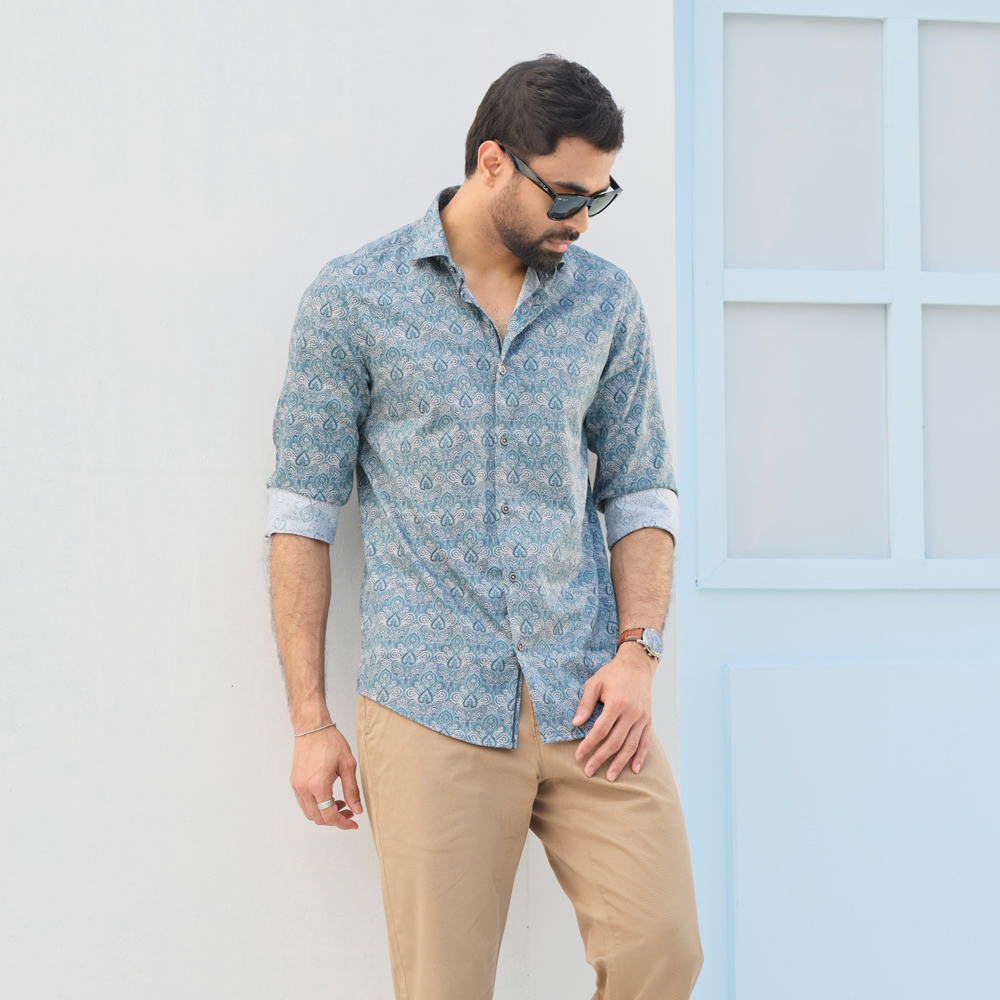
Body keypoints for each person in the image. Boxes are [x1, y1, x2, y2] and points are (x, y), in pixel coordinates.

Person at [266, 54, 704, 1000]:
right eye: (566, 196)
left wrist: (639, 652)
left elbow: (640, 490)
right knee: (445, 986)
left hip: (589, 696)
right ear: (493, 162)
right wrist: (310, 719)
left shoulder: (605, 302)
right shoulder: (355, 299)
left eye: (600, 197)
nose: (581, 221)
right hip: (430, 700)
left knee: (662, 949)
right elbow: (301, 513)